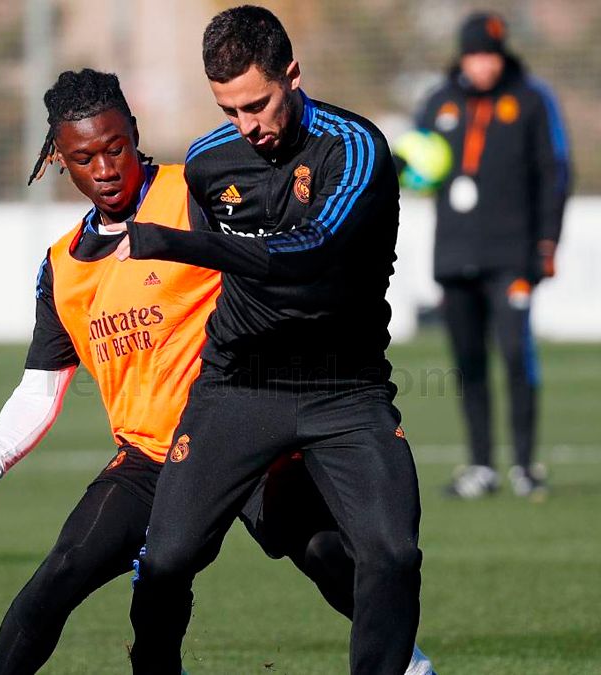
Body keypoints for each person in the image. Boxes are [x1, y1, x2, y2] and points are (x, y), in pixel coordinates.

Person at [0, 68, 438, 675]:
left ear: (134, 133)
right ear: (57, 161)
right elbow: (41, 386)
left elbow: (283, 257)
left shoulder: (197, 191)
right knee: (62, 575)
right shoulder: (62, 268)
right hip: (153, 454)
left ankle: (408, 664)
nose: (105, 169)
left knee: (332, 556)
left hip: (246, 426)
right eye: (84, 158)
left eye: (116, 148)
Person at [111, 7, 421, 674]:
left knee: (392, 554)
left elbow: (310, 253)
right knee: (164, 561)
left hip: (346, 388)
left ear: (293, 75)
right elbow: (220, 283)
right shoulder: (207, 162)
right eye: (229, 110)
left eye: (257, 104)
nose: (246, 126)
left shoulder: (354, 148)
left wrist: (170, 241)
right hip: (239, 386)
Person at [412, 11, 571, 501]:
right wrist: (407, 170)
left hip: (513, 254)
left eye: (492, 55)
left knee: (516, 355)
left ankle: (524, 465)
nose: (485, 65)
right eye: (477, 55)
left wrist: (547, 243)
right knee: (468, 363)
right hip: (455, 254)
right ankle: (481, 466)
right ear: (463, 55)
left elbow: (555, 172)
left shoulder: (531, 99)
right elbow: (415, 166)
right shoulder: (438, 102)